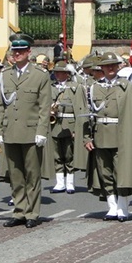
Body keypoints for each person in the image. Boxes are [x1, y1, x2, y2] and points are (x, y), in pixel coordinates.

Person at [82, 52, 132, 221]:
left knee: (121, 172)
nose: (110, 68)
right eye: (106, 65)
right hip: (101, 135)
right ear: (101, 68)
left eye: (113, 65)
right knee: (105, 173)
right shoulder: (94, 87)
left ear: (118, 67)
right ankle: (112, 207)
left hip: (121, 134)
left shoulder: (126, 86)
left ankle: (123, 207)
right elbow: (88, 114)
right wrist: (87, 137)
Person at [0, 35, 52, 227]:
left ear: (29, 52)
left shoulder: (40, 75)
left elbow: (44, 106)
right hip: (11, 131)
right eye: (14, 51)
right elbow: (0, 104)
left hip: (31, 132)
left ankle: (32, 213)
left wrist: (42, 131)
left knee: (32, 175)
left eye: (21, 51)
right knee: (16, 175)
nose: (17, 54)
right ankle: (19, 211)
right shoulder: (5, 75)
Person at [49, 61, 79, 194]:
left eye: (60, 72)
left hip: (69, 124)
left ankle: (70, 182)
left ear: (67, 74)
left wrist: (76, 129)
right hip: (55, 124)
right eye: (56, 72)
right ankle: (60, 182)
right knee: (57, 154)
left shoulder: (74, 87)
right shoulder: (51, 87)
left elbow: (78, 108)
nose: (57, 75)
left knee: (69, 154)